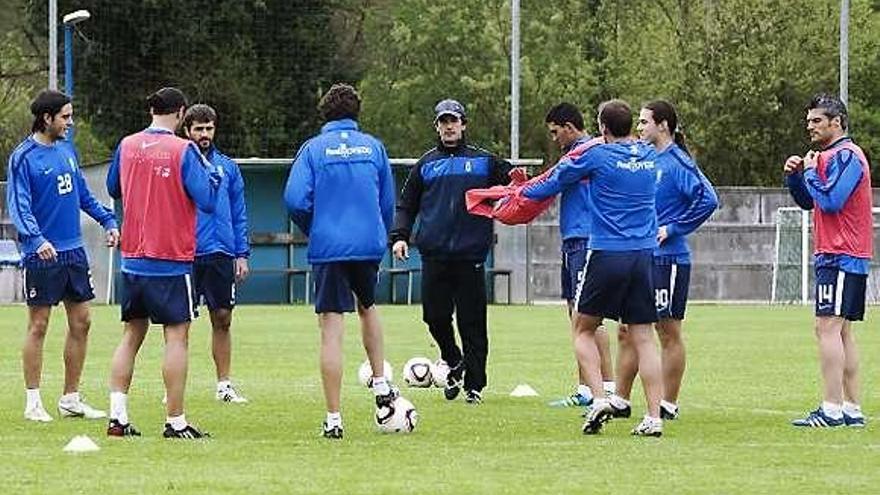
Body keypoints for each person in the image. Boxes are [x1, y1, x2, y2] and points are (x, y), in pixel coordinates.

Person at [524, 99, 664, 437]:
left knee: (582, 328)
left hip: (606, 253)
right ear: (632, 126)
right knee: (644, 338)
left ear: (601, 128)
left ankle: (599, 397)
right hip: (644, 254)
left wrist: (514, 194)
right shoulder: (649, 156)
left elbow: (551, 183)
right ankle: (654, 417)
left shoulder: (596, 156)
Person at [105, 87, 221, 438]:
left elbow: (113, 188)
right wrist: (211, 174)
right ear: (182, 113)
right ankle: (175, 421)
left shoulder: (126, 145)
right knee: (176, 338)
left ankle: (117, 418)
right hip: (170, 259)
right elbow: (208, 200)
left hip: (134, 259)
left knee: (130, 336)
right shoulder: (184, 149)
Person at [284, 83, 397, 439]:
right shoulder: (374, 147)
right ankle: (380, 383)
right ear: (356, 113)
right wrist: (378, 233)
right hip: (367, 244)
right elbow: (387, 202)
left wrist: (315, 227)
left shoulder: (313, 150)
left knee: (331, 329)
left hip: (330, 246)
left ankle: (334, 419)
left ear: (324, 114)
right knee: (368, 306)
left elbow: (294, 200)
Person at [6, 89, 119, 422]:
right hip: (41, 254)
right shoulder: (23, 157)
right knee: (38, 325)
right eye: (66, 117)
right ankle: (33, 402)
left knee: (82, 322)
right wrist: (35, 238)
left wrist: (108, 220)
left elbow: (83, 194)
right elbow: (19, 204)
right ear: (47, 118)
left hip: (73, 253)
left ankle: (70, 398)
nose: (70, 122)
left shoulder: (67, 151)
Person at [391, 99, 513, 405]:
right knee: (434, 317)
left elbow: (516, 182)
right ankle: (452, 358)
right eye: (443, 121)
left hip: (470, 256)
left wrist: (520, 193)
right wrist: (400, 236)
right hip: (434, 255)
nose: (449, 126)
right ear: (437, 126)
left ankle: (475, 384)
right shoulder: (426, 165)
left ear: (463, 124)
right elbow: (407, 205)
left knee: (472, 323)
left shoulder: (484, 162)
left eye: (454, 121)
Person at [608, 100, 718, 421]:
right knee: (628, 329)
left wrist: (672, 228)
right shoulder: (645, 159)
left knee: (666, 331)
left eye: (644, 123)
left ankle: (668, 403)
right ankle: (621, 400)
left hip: (668, 259)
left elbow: (708, 199)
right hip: (640, 256)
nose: (639, 128)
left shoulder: (677, 162)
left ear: (664, 125)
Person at [784, 93, 871, 428]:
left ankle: (832, 408)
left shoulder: (848, 155)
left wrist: (809, 172)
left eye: (817, 120)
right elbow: (812, 202)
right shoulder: (825, 157)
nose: (810, 126)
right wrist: (796, 176)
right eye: (808, 121)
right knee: (842, 331)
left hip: (842, 253)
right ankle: (851, 408)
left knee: (827, 328)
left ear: (836, 121)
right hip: (835, 253)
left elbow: (832, 200)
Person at [540, 103, 616, 409]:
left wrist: (514, 198)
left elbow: (551, 183)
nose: (555, 138)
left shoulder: (588, 152)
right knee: (576, 316)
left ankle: (607, 388)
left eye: (556, 132)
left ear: (569, 127)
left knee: (590, 319)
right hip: (572, 240)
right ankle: (586, 387)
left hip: (586, 239)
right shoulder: (576, 154)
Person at [183, 104, 250, 404]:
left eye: (209, 128)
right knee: (179, 322)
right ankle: (176, 384)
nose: (204, 134)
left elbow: (239, 212)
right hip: (185, 252)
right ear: (187, 131)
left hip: (221, 251)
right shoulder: (179, 162)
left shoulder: (228, 167)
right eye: (198, 128)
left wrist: (241, 253)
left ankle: (224, 385)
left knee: (222, 318)